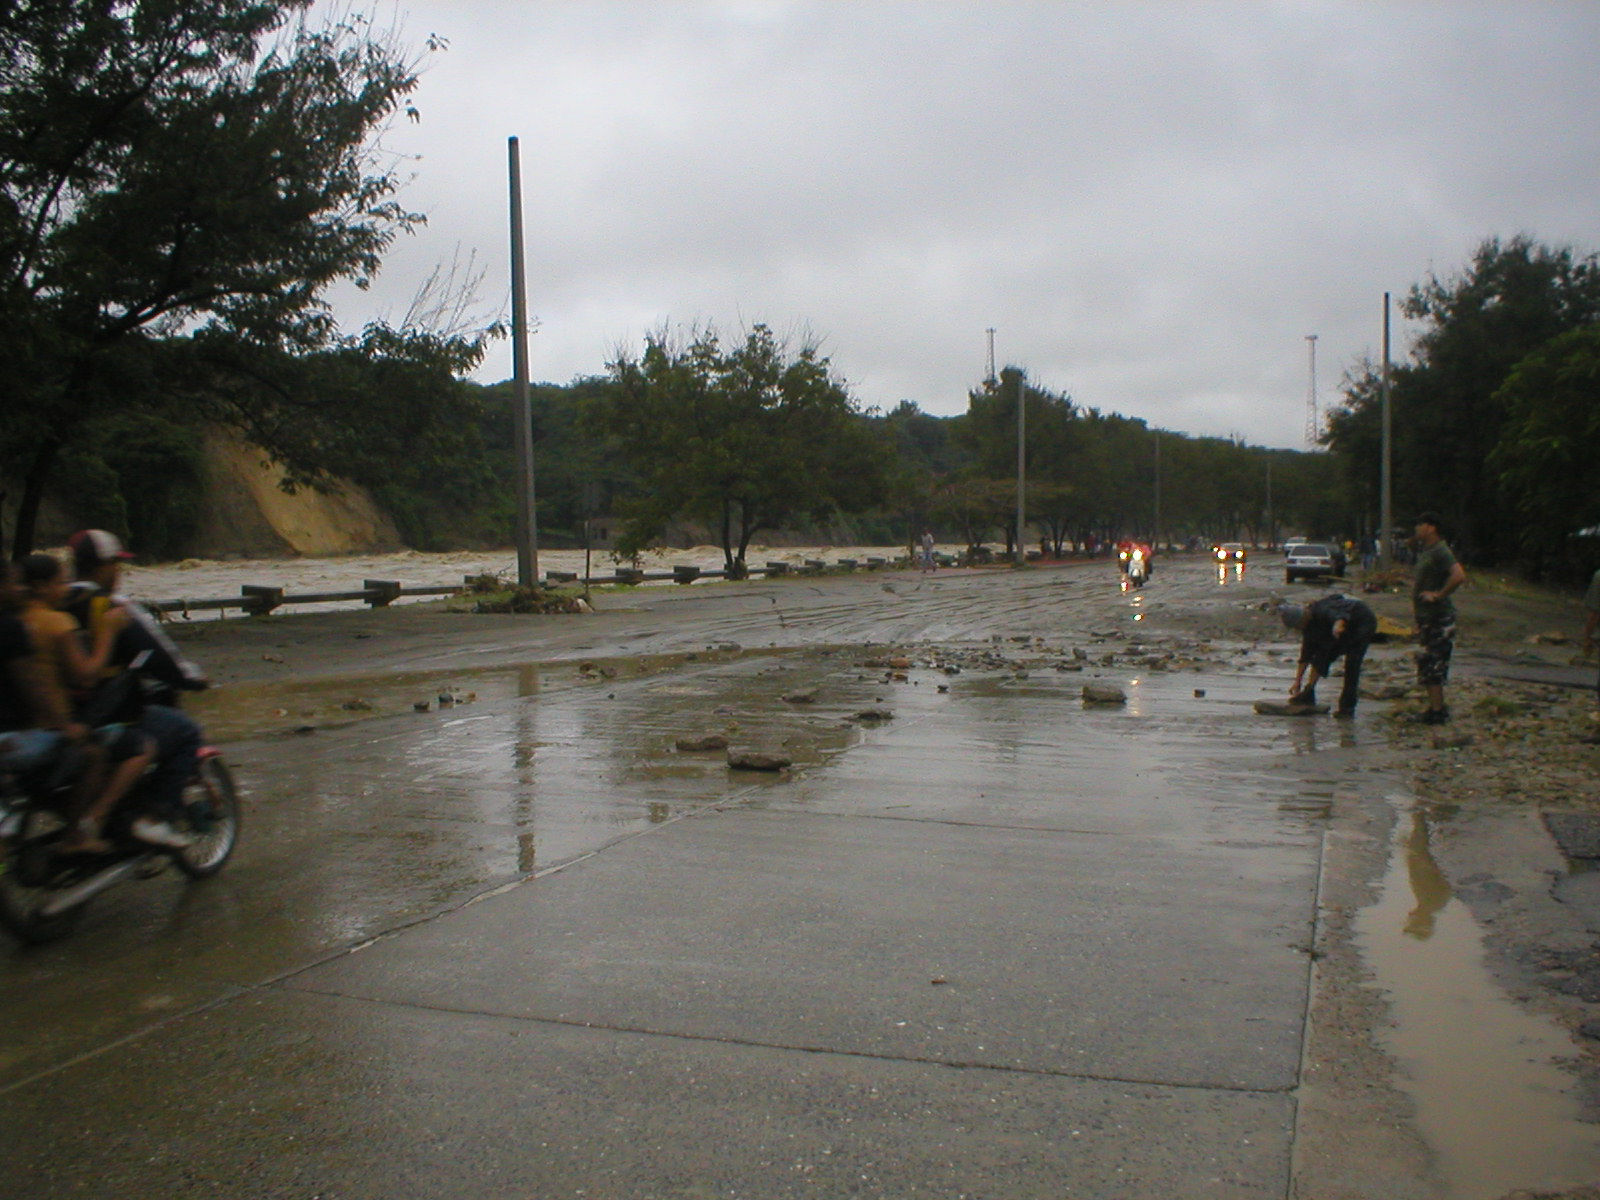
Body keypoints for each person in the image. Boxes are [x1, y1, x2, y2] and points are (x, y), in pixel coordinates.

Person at [64, 529, 208, 844]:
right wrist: (191, 679)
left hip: (62, 716)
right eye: (116, 564)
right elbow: (157, 651)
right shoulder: (112, 606)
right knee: (184, 731)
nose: (118, 572)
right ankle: (155, 816)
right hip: (107, 715)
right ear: (103, 566)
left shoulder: (52, 603)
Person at [16, 553, 154, 851]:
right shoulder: (57, 623)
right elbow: (86, 676)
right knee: (138, 748)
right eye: (60, 583)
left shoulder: (16, 623)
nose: (65, 589)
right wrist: (107, 632)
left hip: (21, 729)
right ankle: (85, 827)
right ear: (40, 587)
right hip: (52, 730)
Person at [1280, 594, 1379, 717]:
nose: (1299, 629)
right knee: (1322, 656)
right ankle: (1309, 691)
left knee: (1352, 664)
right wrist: (1297, 682)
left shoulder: (1321, 610)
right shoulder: (1308, 627)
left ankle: (1347, 708)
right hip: (1339, 628)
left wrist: (1338, 626)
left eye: (1298, 625)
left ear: (1303, 617)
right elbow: (1305, 656)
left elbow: (1339, 616)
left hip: (1362, 621)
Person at [1410, 511, 1468, 724]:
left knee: (1435, 664)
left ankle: (1438, 711)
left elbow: (1459, 575)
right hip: (1427, 618)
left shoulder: (1440, 551)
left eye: (1420, 525)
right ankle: (1435, 707)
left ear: (1431, 527)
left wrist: (1439, 595)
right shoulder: (1426, 551)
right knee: (1427, 664)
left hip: (1439, 618)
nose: (1417, 529)